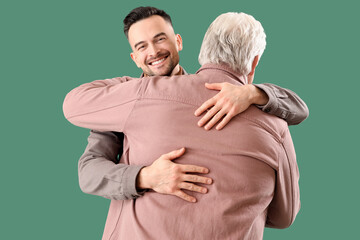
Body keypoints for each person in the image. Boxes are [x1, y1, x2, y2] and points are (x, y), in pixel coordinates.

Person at [63, 11, 301, 239]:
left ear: (179, 42)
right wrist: (145, 177)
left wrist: (255, 93)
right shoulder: (123, 101)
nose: (154, 51)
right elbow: (88, 172)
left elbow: (300, 109)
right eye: (141, 46)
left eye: (160, 39)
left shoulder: (146, 96)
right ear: (134, 58)